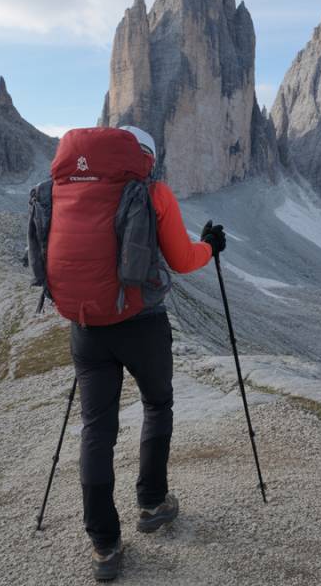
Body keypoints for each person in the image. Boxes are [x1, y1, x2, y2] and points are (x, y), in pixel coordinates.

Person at [62, 125, 226, 582]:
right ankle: (152, 503)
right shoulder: (153, 192)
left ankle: (104, 545)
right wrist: (210, 246)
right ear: (147, 158)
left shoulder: (66, 189)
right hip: (141, 324)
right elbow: (182, 260)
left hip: (86, 326)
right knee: (157, 404)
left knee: (96, 429)